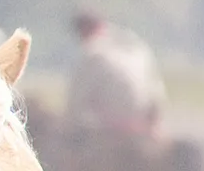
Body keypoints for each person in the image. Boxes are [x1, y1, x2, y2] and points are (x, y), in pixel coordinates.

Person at [69, 11, 165, 139]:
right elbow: (156, 93)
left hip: (112, 129)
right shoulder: (135, 45)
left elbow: (75, 104)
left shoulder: (93, 51)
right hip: (147, 124)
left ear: (83, 30)